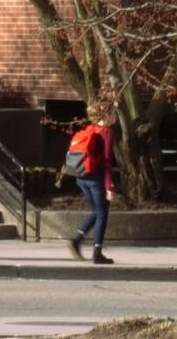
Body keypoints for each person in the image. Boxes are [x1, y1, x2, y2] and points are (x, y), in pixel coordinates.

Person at [66, 103, 116, 265]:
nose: (116, 116)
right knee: (102, 213)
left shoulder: (90, 129)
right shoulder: (106, 133)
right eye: (113, 113)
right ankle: (97, 253)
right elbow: (107, 163)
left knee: (98, 210)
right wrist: (108, 187)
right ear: (106, 115)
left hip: (81, 176)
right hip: (95, 178)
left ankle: (77, 239)